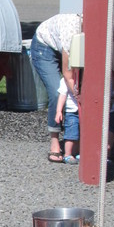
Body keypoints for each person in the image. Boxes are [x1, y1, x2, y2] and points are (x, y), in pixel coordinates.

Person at [28, 13, 83, 162]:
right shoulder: (72, 31)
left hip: (63, 46)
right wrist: (79, 97)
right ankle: (55, 142)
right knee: (56, 92)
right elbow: (67, 73)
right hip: (44, 46)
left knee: (82, 86)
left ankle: (76, 138)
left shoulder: (96, 33)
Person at [55, 73, 81, 163]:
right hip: (72, 111)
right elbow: (62, 95)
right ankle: (67, 154)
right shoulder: (65, 80)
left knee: (81, 133)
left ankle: (78, 152)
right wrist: (59, 111)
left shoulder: (85, 78)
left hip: (84, 111)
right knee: (71, 133)